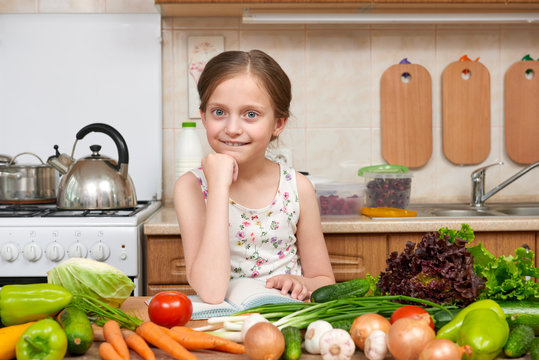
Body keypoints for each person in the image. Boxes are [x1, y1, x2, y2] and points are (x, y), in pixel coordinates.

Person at [174, 49, 335, 304]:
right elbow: (212, 292)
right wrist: (218, 187)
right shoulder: (191, 187)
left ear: (278, 124)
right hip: (222, 327)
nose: (233, 129)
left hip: (286, 320)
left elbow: (323, 280)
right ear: (203, 116)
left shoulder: (297, 188)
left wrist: (303, 283)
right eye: (219, 112)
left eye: (251, 114)